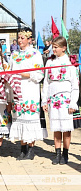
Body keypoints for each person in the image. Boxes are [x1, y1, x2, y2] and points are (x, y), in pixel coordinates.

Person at [9, 28, 48, 160]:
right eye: (19, 38)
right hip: (17, 91)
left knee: (29, 120)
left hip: (30, 90)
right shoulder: (14, 55)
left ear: (29, 39)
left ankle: (31, 149)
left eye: (22, 38)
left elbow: (39, 74)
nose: (20, 40)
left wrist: (24, 74)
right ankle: (22, 148)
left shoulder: (35, 54)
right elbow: (9, 71)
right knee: (19, 119)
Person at [41, 36, 79, 165]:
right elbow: (46, 82)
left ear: (64, 48)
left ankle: (65, 154)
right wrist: (44, 101)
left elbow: (75, 86)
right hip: (53, 99)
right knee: (56, 128)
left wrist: (73, 103)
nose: (53, 49)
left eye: (56, 47)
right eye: (53, 47)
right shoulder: (50, 62)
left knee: (66, 129)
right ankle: (57, 153)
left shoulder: (70, 63)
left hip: (66, 100)